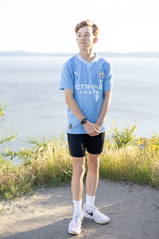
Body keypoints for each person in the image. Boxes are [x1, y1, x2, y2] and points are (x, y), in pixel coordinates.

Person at [60, 20, 113, 235]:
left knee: (94, 163)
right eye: (79, 35)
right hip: (76, 126)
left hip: (98, 127)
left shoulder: (105, 66)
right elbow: (69, 98)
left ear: (95, 39)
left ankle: (90, 208)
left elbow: (107, 96)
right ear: (76, 39)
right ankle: (77, 213)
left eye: (87, 35)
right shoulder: (69, 65)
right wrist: (85, 123)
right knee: (78, 167)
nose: (83, 38)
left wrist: (98, 123)